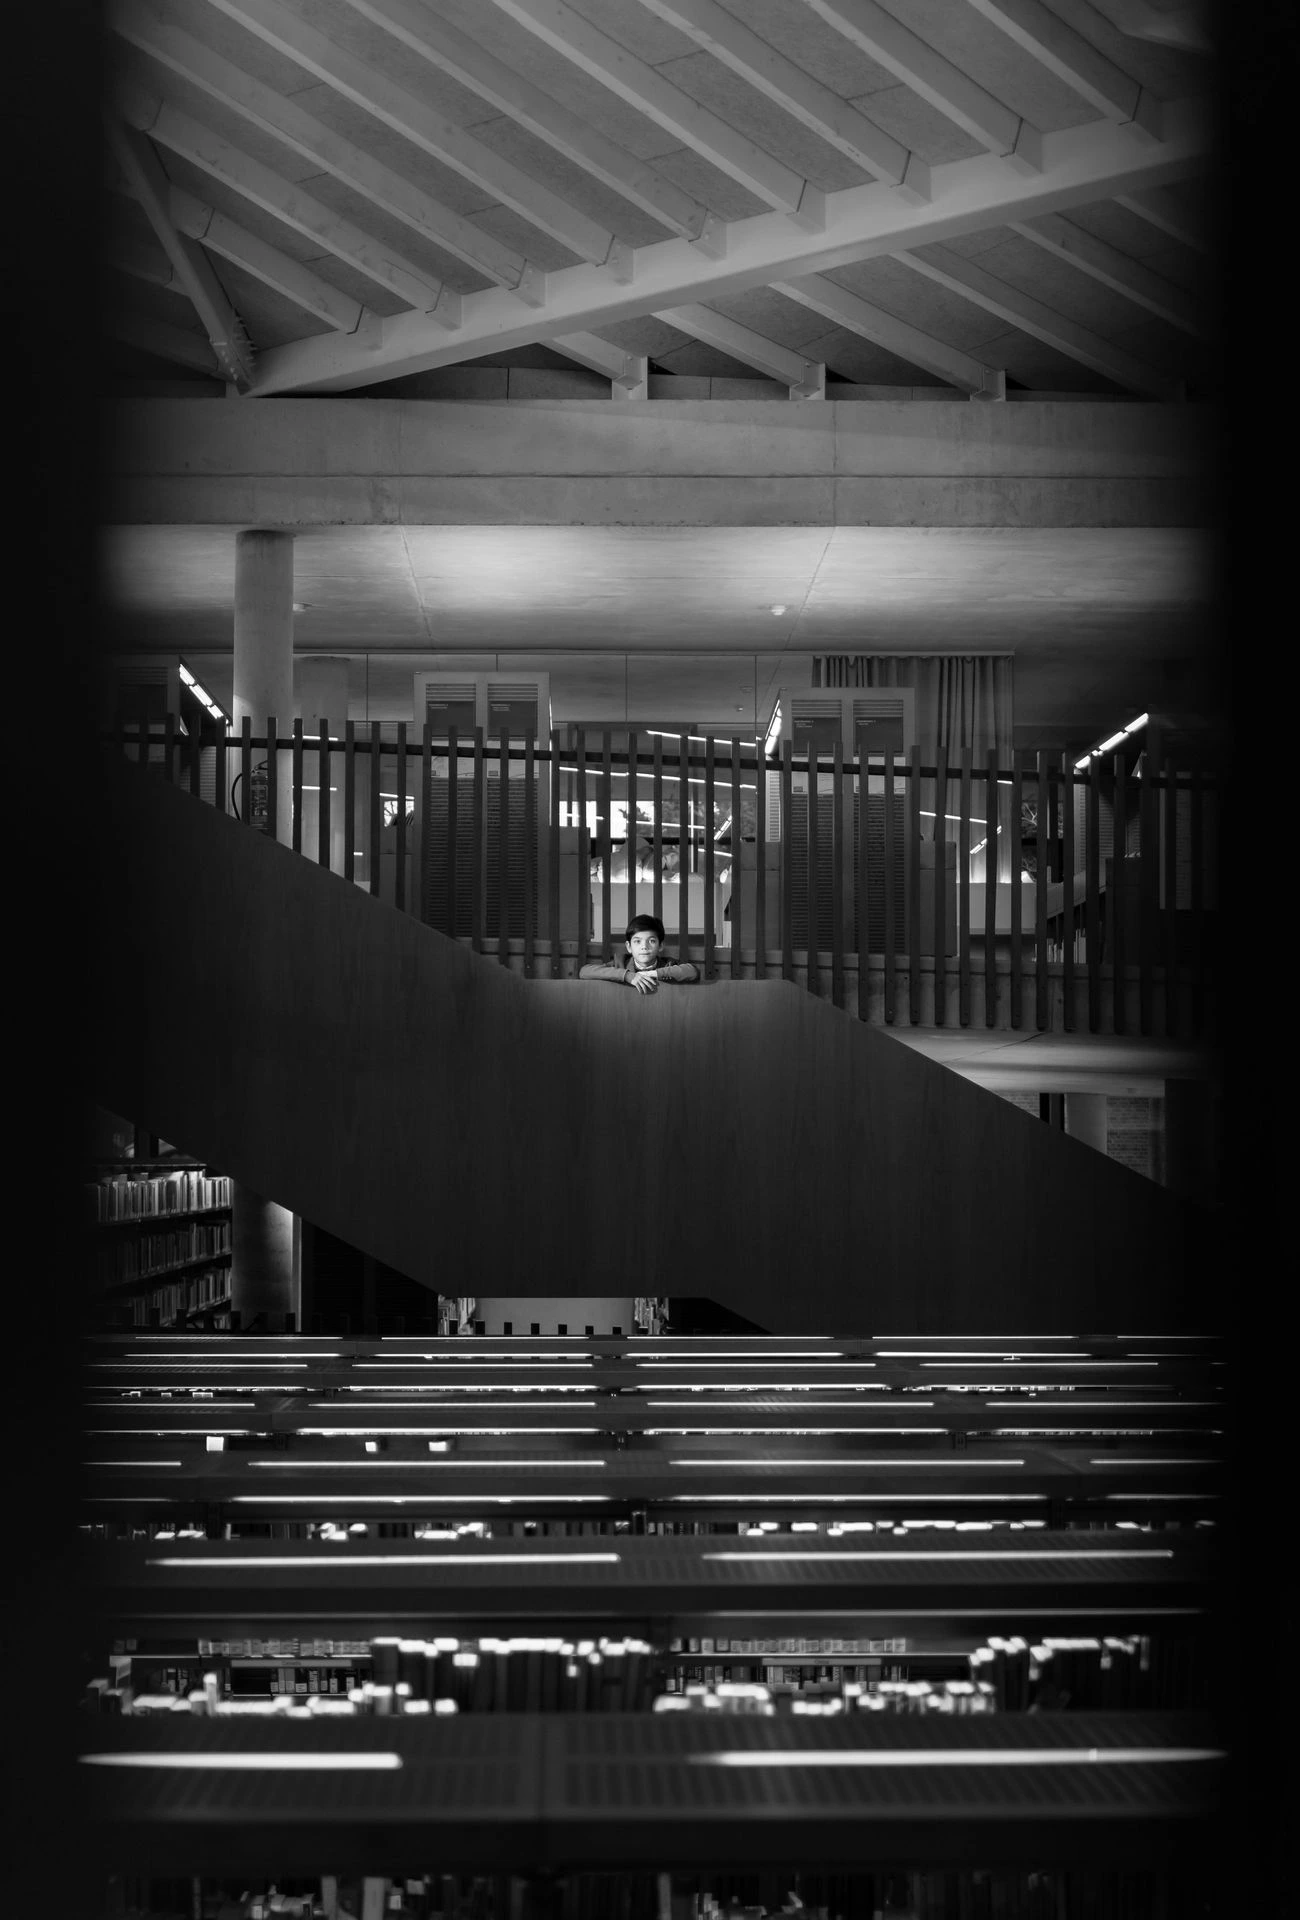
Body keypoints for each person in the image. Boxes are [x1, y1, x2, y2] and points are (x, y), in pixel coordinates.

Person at [579, 913, 699, 994]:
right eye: (637, 941)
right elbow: (584, 972)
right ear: (629, 947)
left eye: (651, 941)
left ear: (661, 946)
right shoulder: (620, 963)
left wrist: (653, 973)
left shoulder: (668, 964)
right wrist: (628, 976)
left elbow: (693, 972)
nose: (644, 947)